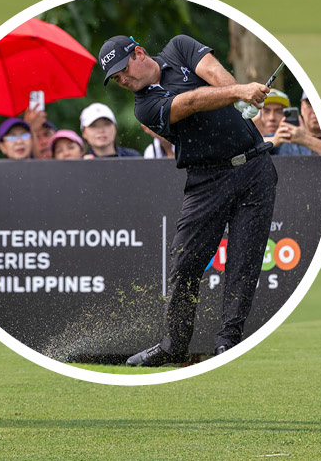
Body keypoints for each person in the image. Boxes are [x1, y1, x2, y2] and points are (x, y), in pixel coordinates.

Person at [98, 33, 281, 367]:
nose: (123, 80)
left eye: (124, 70)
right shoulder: (144, 107)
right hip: (206, 179)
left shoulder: (179, 47)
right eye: (117, 79)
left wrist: (237, 97)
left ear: (139, 53)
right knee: (185, 264)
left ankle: (228, 343)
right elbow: (193, 102)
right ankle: (173, 345)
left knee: (244, 263)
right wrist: (239, 92)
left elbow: (213, 72)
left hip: (254, 167)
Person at [79, 102, 143, 158]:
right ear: (84, 133)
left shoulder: (132, 157)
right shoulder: (79, 164)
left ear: (115, 128)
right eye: (93, 126)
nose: (101, 130)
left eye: (107, 124)